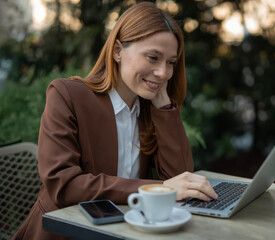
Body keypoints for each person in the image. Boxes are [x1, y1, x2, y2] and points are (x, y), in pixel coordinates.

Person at [12, 2, 217, 240]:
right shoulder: (66, 95)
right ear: (118, 50)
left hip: (121, 232)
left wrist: (164, 106)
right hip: (61, 234)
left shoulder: (151, 109)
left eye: (170, 62)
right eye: (153, 57)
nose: (163, 72)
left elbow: (180, 178)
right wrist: (156, 190)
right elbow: (63, 185)